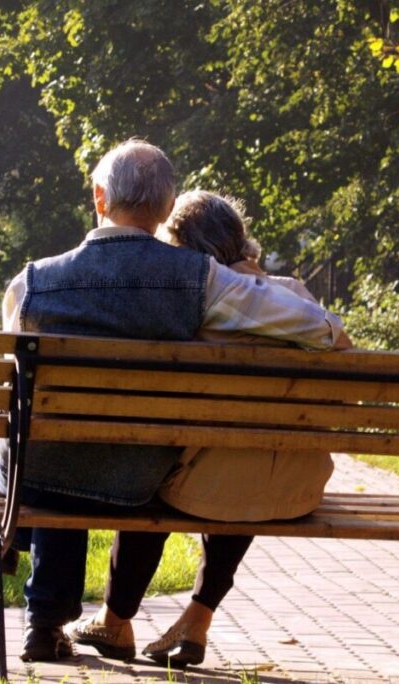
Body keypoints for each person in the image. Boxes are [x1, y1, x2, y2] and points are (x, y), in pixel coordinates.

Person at [0, 139, 350, 663]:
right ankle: (54, 614)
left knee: (50, 441)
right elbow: (320, 328)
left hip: (42, 474)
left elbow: (12, 387)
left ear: (99, 197)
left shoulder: (32, 283)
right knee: (81, 450)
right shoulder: (202, 281)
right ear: (165, 207)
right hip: (135, 479)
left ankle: (42, 617)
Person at [63, 190, 341, 667]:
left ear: (181, 246)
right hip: (296, 488)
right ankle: (197, 620)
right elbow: (340, 340)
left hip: (206, 487)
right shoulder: (294, 294)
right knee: (244, 457)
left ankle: (114, 622)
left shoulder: (197, 304)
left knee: (155, 475)